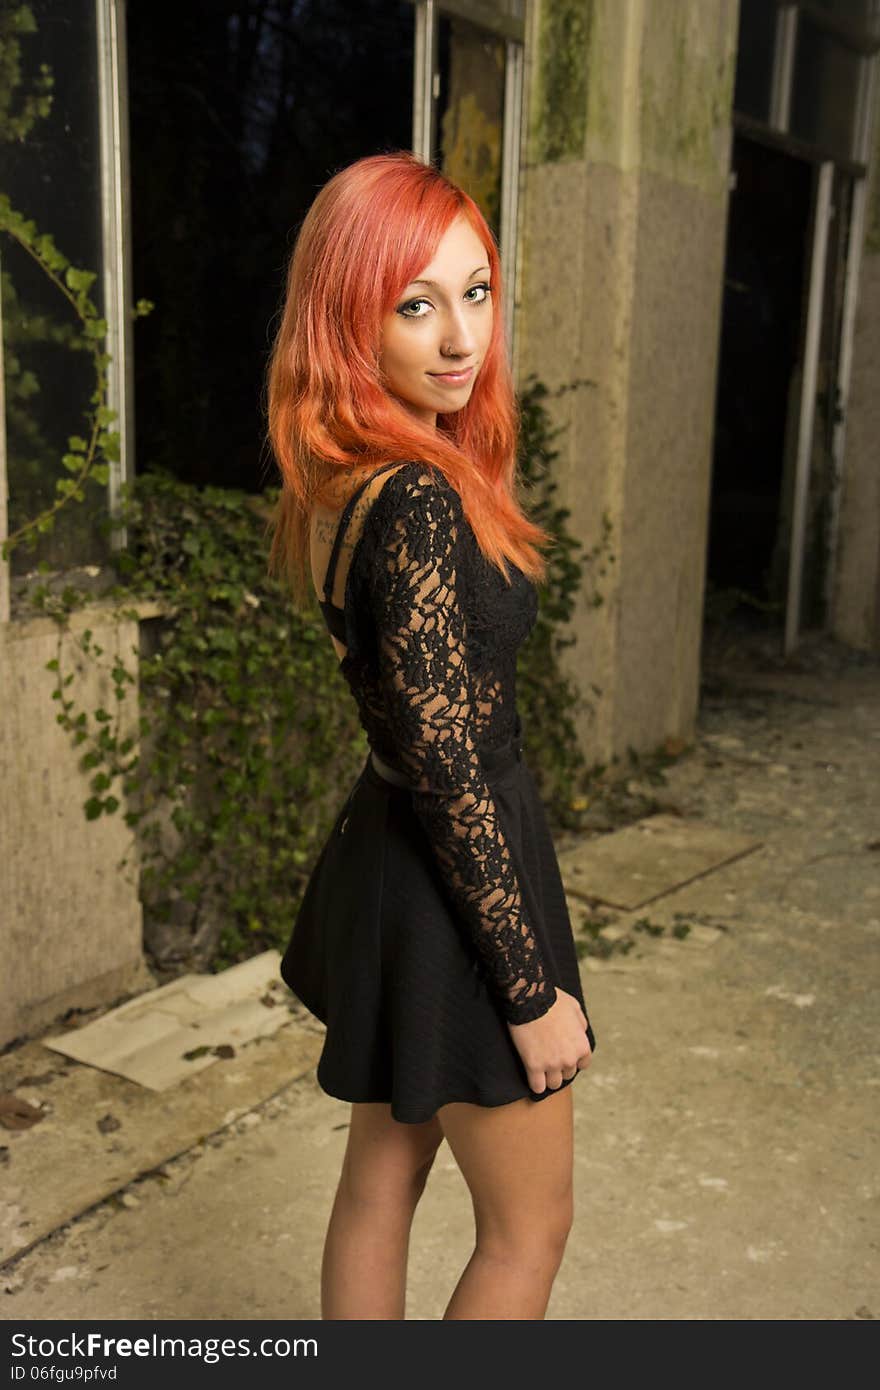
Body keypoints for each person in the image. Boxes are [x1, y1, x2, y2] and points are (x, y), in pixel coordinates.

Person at [265, 151, 596, 1321]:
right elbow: (449, 762)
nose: (460, 337)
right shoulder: (408, 496)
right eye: (415, 304)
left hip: (392, 852)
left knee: (381, 1177)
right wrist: (526, 987)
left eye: (476, 290)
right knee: (527, 1230)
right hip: (455, 873)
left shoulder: (346, 477)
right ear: (348, 319)